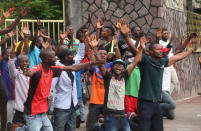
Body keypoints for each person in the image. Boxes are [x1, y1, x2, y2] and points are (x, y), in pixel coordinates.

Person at [23, 48, 102, 131]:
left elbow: (74, 68)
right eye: (53, 57)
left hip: (43, 112)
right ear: (46, 60)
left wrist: (91, 63)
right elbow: (31, 72)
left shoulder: (53, 69)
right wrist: (27, 72)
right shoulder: (37, 69)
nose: (56, 58)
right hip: (33, 112)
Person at [96, 26, 145, 130]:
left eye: (121, 65)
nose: (118, 66)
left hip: (122, 117)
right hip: (110, 116)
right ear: (112, 67)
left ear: (124, 68)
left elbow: (135, 61)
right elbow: (101, 64)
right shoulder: (108, 77)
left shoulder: (125, 77)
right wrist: (94, 48)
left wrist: (141, 48)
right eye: (116, 65)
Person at [86, 19, 121, 131]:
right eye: (100, 54)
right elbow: (91, 63)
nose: (103, 55)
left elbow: (119, 60)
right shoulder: (94, 67)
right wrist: (93, 48)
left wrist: (115, 45)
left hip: (108, 102)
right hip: (95, 101)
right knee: (90, 127)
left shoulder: (111, 65)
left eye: (105, 54)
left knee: (109, 127)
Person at [52, 39, 85, 130]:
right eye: (71, 55)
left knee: (71, 128)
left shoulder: (71, 63)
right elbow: (51, 87)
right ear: (65, 58)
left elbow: (80, 55)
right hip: (61, 107)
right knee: (59, 128)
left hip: (73, 106)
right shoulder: (57, 68)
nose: (73, 56)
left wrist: (82, 42)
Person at [8, 41, 30, 130]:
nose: (24, 63)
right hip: (20, 109)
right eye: (22, 62)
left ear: (29, 62)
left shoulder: (34, 73)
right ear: (19, 65)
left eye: (26, 61)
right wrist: (14, 48)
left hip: (32, 110)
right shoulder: (16, 74)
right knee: (15, 127)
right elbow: (11, 62)